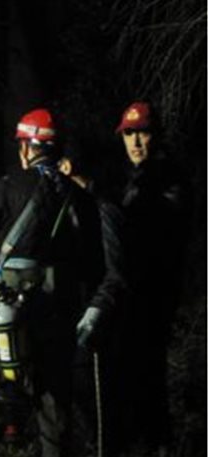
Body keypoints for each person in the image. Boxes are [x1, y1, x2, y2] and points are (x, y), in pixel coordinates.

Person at [0, 108, 123, 457]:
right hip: (60, 314)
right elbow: (95, 264)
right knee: (54, 403)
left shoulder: (8, 187)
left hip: (9, 307)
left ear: (26, 150)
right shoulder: (83, 200)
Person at [113, 101, 188, 455]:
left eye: (142, 132)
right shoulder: (126, 176)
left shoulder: (168, 177)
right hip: (128, 294)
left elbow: (158, 232)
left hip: (153, 295)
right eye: (129, 133)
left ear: (155, 135)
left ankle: (157, 445)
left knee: (148, 374)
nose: (135, 142)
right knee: (129, 376)